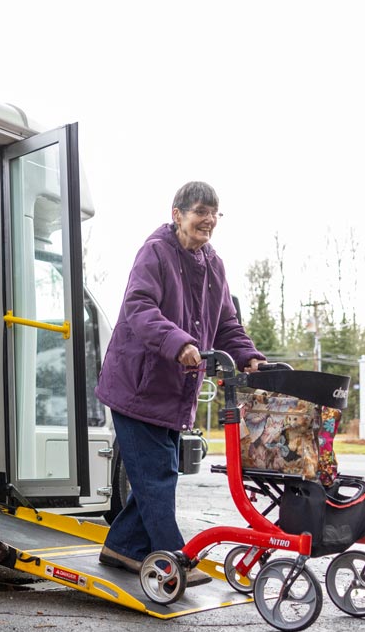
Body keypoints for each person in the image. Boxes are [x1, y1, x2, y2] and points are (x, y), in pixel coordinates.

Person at [95, 181, 264, 581]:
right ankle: (175, 558)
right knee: (158, 475)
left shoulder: (213, 264)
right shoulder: (155, 251)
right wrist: (179, 342)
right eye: (201, 210)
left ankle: (121, 548)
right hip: (137, 386)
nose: (208, 219)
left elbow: (225, 323)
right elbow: (139, 307)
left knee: (160, 472)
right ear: (177, 214)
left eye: (214, 212)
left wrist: (249, 356)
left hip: (175, 391)